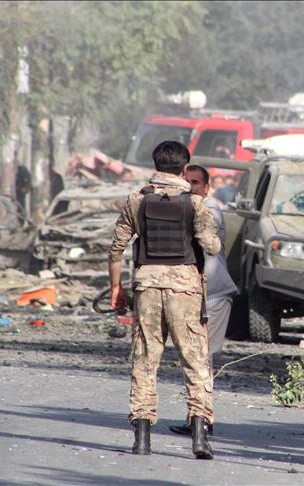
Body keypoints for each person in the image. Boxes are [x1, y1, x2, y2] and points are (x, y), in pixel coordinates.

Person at [107, 141, 221, 459]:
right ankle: (200, 435)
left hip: (146, 287)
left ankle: (142, 439)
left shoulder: (137, 200)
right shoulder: (195, 204)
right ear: (184, 168)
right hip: (185, 290)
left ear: (154, 165)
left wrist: (116, 288)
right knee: (195, 362)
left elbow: (116, 248)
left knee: (145, 360)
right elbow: (211, 247)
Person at [169, 164, 238, 437]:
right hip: (192, 294)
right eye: (186, 181)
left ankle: (202, 419)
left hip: (215, 296)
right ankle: (196, 417)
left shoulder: (211, 210)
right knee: (194, 358)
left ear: (206, 188)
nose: (190, 187)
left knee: (203, 358)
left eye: (195, 183)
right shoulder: (183, 207)